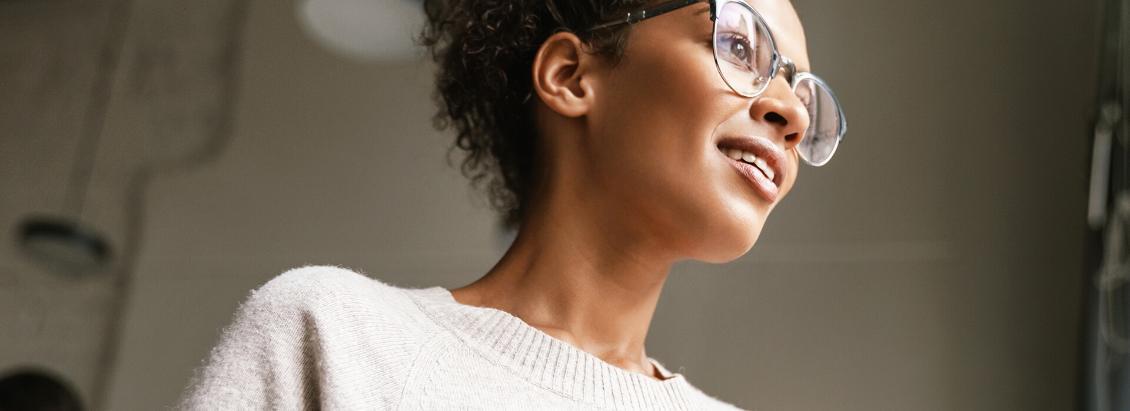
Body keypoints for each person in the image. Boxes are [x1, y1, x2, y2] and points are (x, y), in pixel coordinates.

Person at [178, 0, 846, 409]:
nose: (787, 110)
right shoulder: (331, 336)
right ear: (570, 75)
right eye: (737, 44)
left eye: (805, 96)